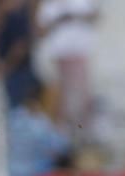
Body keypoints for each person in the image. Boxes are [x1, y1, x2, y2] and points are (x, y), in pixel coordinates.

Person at [35, 0, 99, 130]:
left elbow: (94, 15)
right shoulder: (50, 5)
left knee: (82, 91)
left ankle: (83, 126)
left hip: (79, 50)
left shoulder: (80, 2)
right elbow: (41, 29)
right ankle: (65, 127)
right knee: (63, 93)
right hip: (61, 52)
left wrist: (75, 16)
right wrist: (59, 20)